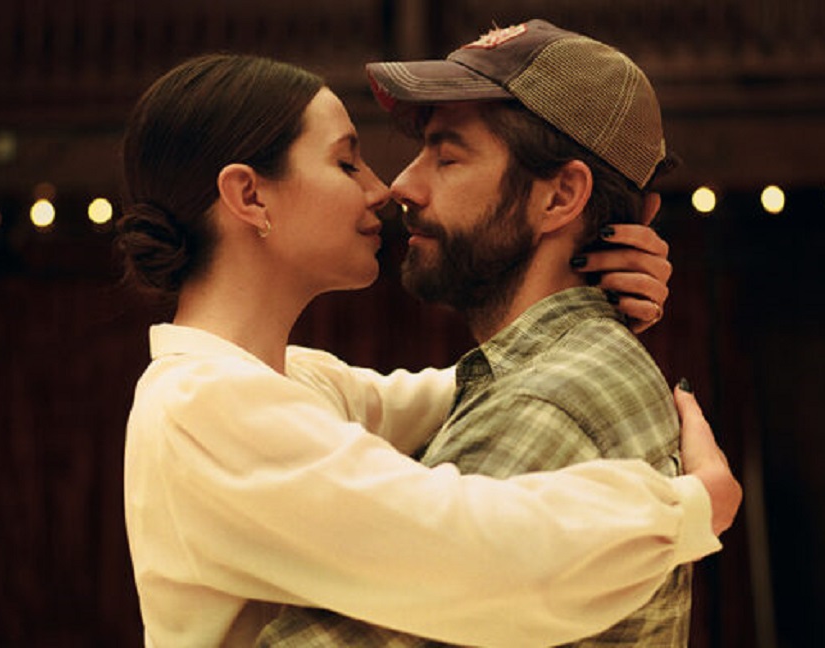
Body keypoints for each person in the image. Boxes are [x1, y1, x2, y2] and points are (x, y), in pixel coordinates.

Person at [118, 52, 741, 647]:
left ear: (560, 197)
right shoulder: (204, 404)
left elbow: (482, 385)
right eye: (346, 164)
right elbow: (474, 552)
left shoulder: (288, 380)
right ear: (251, 197)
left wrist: (592, 313)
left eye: (445, 157)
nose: (386, 188)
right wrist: (690, 509)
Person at [257, 19, 703, 647]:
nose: (402, 185)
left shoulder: (543, 403)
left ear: (561, 197)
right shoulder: (547, 376)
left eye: (448, 156)